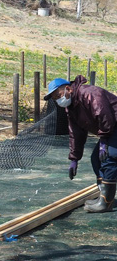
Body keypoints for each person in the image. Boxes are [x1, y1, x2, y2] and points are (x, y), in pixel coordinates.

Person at [44, 75, 117, 213]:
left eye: (57, 95)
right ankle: (103, 196)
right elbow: (75, 133)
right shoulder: (72, 108)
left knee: (109, 157)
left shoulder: (89, 93)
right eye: (54, 98)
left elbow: (105, 115)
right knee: (96, 159)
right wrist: (74, 158)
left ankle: (106, 203)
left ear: (67, 89)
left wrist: (104, 141)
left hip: (114, 125)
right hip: (111, 129)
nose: (57, 100)